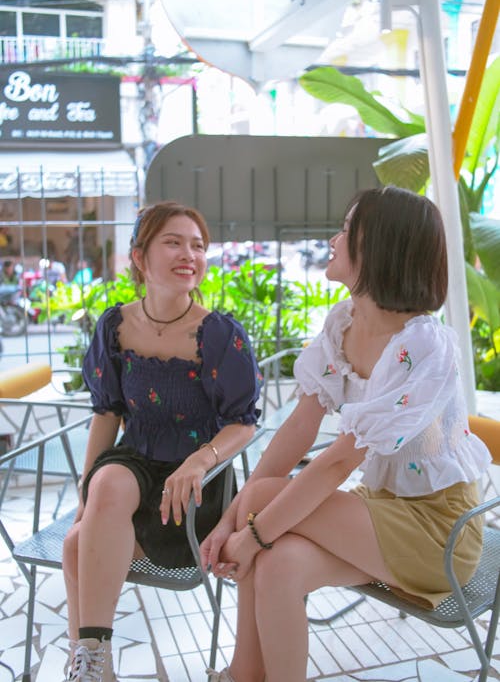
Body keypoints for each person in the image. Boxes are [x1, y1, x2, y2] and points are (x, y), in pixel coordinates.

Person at [200, 186, 492, 682]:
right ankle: (242, 675)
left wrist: (249, 532)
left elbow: (338, 463)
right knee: (279, 566)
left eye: (347, 230)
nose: (334, 239)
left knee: (267, 508)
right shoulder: (344, 325)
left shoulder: (422, 345)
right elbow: (298, 428)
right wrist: (233, 521)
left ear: (378, 248)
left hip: (441, 532)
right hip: (381, 511)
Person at [62, 201, 262, 682]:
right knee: (103, 488)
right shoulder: (115, 327)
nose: (188, 254)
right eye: (173, 242)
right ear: (139, 256)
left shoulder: (219, 335)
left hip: (195, 483)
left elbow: (244, 423)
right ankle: (92, 665)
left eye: (197, 245)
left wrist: (201, 458)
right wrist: (86, 493)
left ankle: (90, 663)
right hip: (134, 463)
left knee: (74, 548)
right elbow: (107, 413)